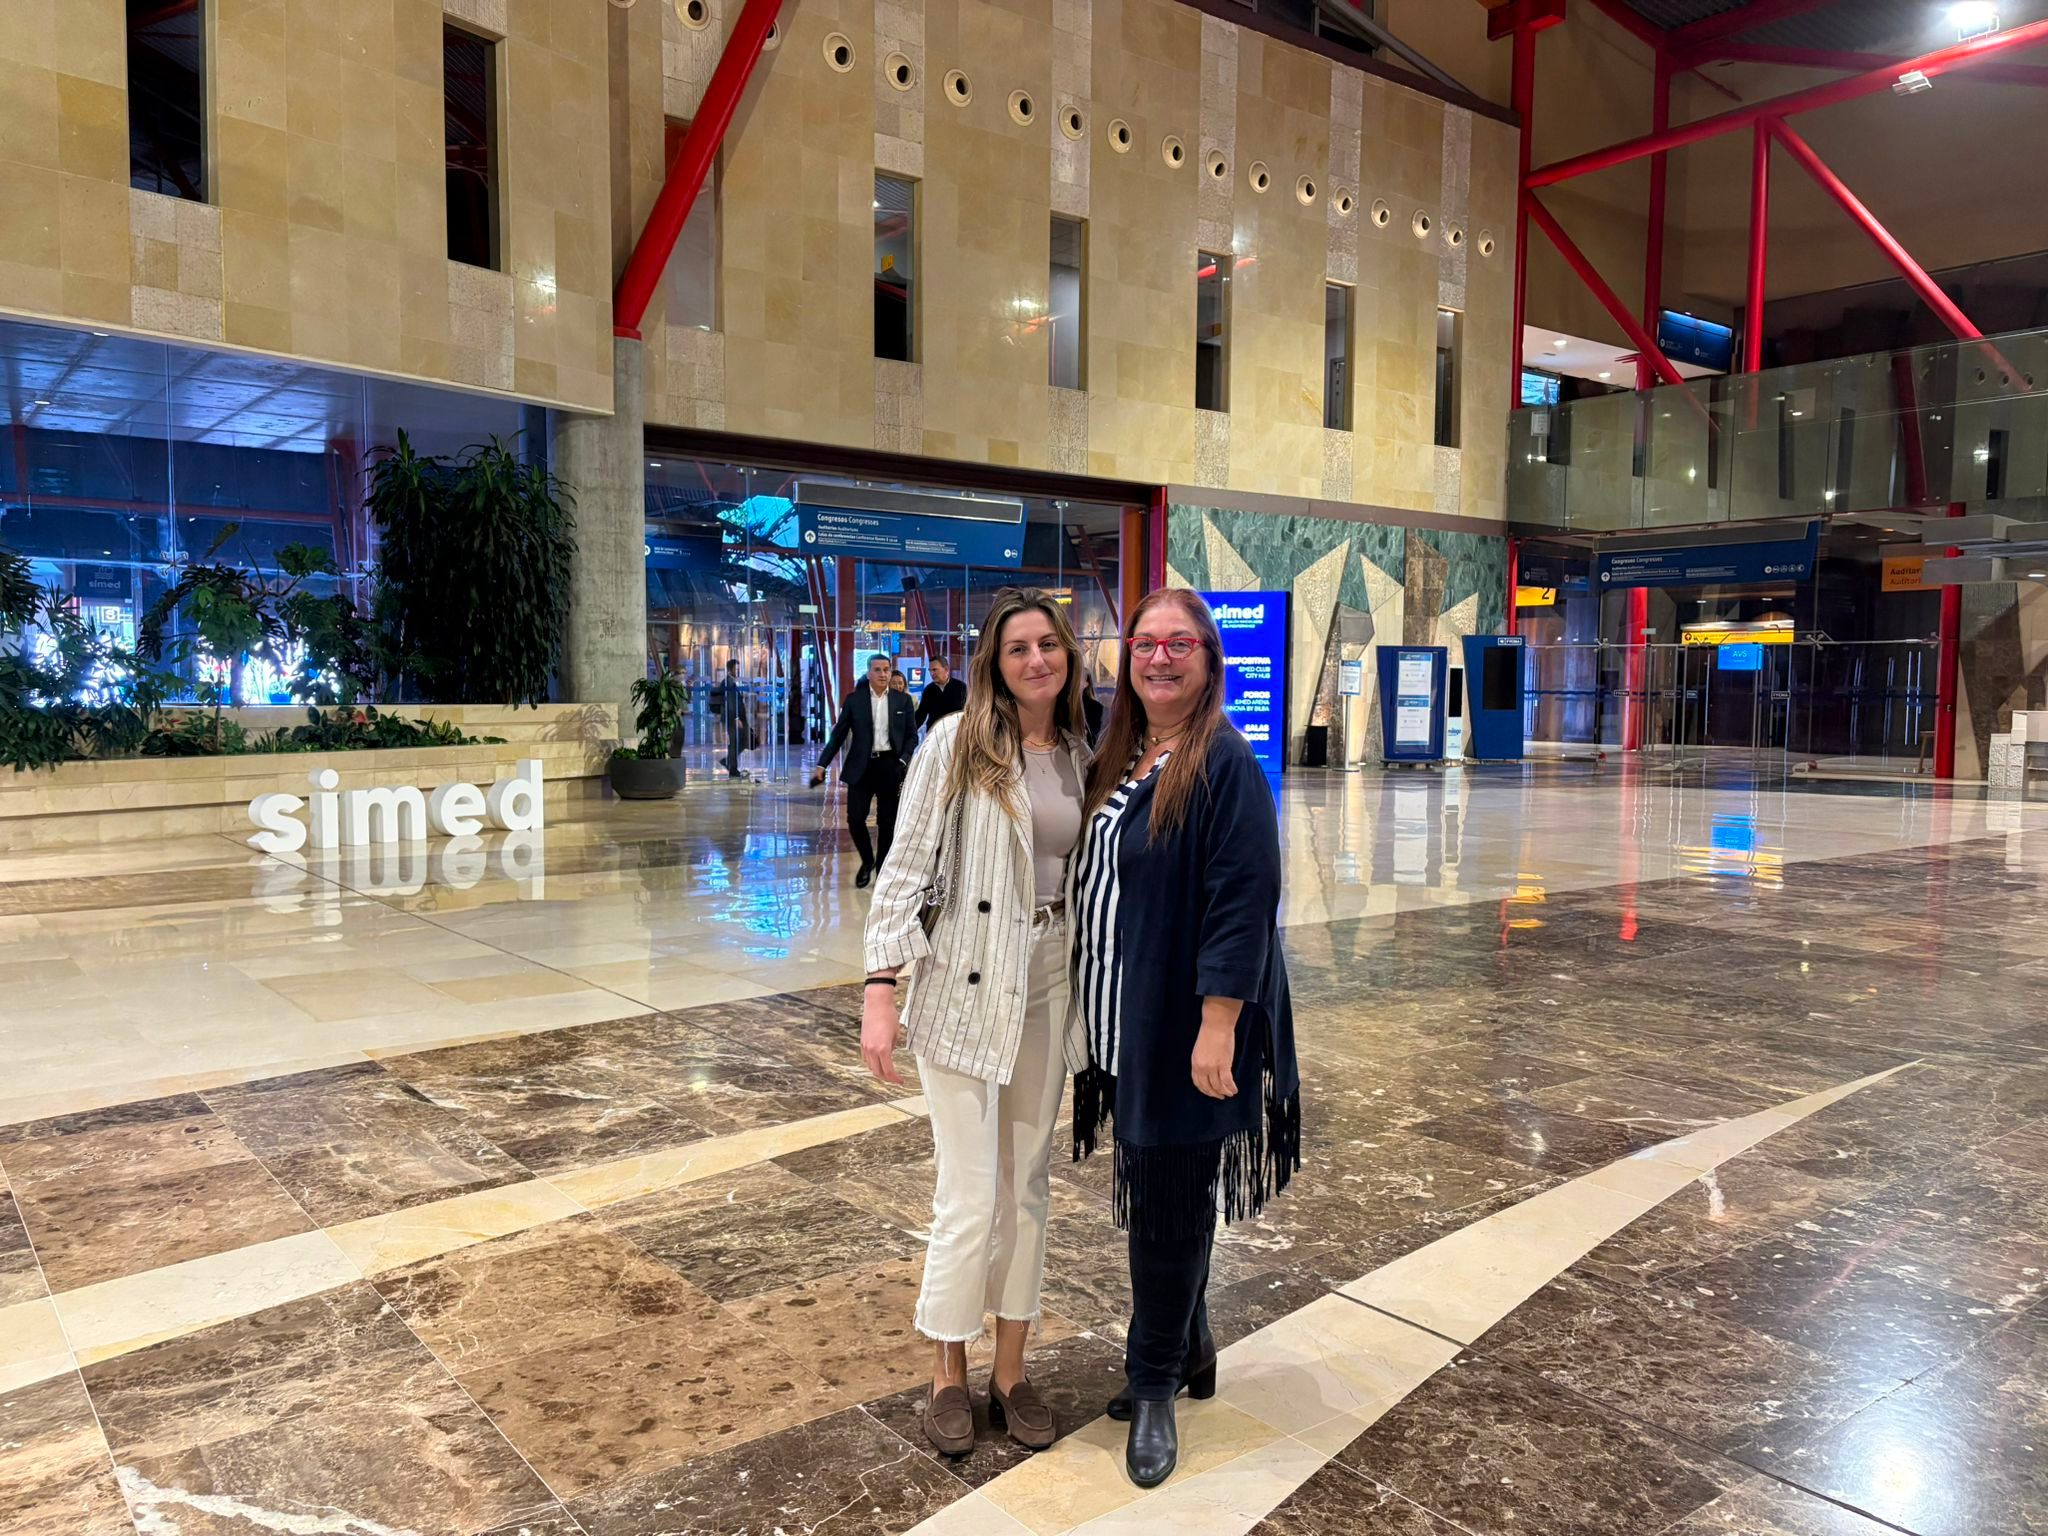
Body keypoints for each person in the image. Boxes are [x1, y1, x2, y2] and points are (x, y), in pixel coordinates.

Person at [1069, 587, 1300, 1489]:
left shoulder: (1224, 762)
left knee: (1165, 1196)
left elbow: (1244, 900)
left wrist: (1218, 1025)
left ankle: (1154, 1381)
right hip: (1126, 1014)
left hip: (1188, 1020)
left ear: (1209, 660)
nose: (1159, 658)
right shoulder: (1121, 755)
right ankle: (1190, 1340)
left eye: (1179, 645)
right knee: (1168, 1183)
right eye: (1145, 643)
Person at [861, 588, 1092, 1458]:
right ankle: (947, 1372)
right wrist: (880, 985)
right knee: (968, 1190)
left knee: (1027, 1181)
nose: (1036, 660)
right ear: (995, 661)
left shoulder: (1079, 752)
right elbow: (904, 866)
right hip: (965, 977)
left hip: (1049, 973)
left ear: (1068, 655)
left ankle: (1012, 1370)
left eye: (1048, 645)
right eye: (1017, 648)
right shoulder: (956, 743)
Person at [812, 653, 919, 887]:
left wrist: (903, 761)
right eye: (877, 670)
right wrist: (822, 764)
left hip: (890, 766)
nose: (883, 674)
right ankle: (868, 860)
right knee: (855, 818)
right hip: (862, 766)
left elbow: (912, 736)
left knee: (887, 822)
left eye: (886, 669)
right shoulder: (855, 700)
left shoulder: (902, 701)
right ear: (869, 673)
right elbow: (839, 734)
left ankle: (882, 870)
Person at [915, 655, 968, 735]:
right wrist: (909, 734)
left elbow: (967, 712)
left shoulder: (961, 687)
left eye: (934, 670)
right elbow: (920, 716)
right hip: (934, 734)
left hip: (955, 734)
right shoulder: (928, 690)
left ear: (946, 669)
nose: (932, 673)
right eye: (930, 671)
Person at [718, 658, 751, 780]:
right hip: (732, 719)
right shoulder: (728, 683)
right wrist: (736, 718)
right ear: (730, 670)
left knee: (740, 742)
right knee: (736, 742)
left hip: (734, 718)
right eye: (736, 669)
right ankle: (732, 768)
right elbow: (730, 702)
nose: (738, 671)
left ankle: (729, 762)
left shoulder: (731, 682)